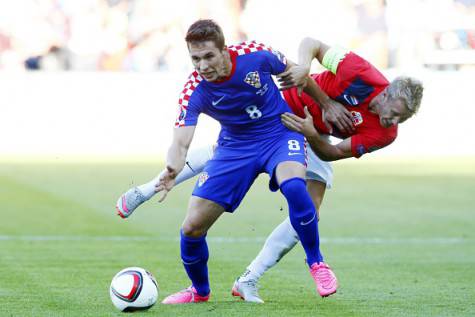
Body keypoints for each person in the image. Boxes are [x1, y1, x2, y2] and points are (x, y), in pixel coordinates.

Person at [116, 35, 423, 303]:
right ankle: (144, 191)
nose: (393, 122)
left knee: (308, 207)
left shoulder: (386, 134)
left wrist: (312, 133)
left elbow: (330, 153)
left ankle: (249, 278)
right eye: (394, 113)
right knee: (221, 154)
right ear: (385, 94)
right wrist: (305, 72)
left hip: (311, 134)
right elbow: (311, 44)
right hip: (283, 109)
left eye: (402, 119)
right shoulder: (360, 72)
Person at [119, 19, 338, 305]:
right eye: (195, 59)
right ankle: (199, 291)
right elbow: (180, 141)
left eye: (208, 56)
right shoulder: (194, 89)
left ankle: (317, 264)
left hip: (279, 134)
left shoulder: (256, 54)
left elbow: (298, 76)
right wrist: (172, 169)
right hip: (234, 149)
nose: (202, 65)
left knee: (295, 186)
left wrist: (326, 104)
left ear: (224, 51)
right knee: (192, 227)